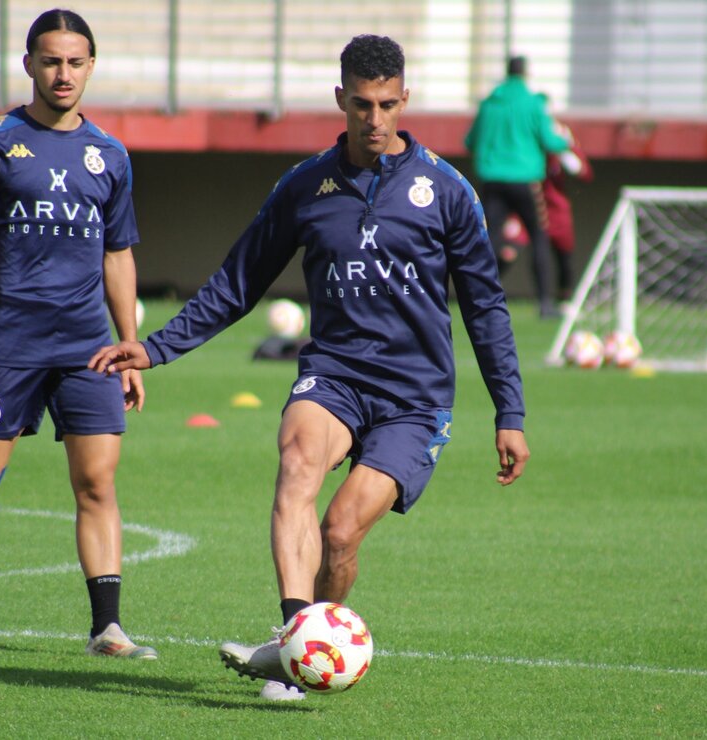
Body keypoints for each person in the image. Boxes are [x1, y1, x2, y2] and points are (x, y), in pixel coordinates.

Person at [90, 34, 529, 700]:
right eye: (361, 104)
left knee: (341, 531)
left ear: (404, 99)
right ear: (340, 100)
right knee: (297, 466)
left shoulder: (446, 191)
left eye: (386, 104)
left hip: (415, 399)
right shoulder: (305, 186)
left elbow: (487, 308)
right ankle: (298, 649)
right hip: (335, 376)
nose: (374, 118)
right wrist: (156, 347)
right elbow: (238, 282)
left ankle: (299, 648)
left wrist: (510, 413)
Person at [0, 8, 155, 661]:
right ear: (29, 65)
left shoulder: (110, 154)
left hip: (89, 347)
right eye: (51, 61)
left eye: (76, 62)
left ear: (91, 67)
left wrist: (131, 344)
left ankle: (106, 626)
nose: (63, 73)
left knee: (98, 484)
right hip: (8, 342)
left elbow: (119, 254)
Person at [464, 55, 569, 318]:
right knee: (538, 237)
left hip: (492, 180)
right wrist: (565, 141)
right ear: (525, 74)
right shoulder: (534, 103)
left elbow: (470, 141)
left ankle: (480, 300)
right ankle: (545, 303)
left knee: (490, 240)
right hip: (525, 180)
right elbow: (550, 141)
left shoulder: (489, 104)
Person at [497, 120, 593, 303]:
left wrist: (563, 151)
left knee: (563, 254)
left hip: (556, 210)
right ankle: (485, 290)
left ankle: (564, 297)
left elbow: (584, 173)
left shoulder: (563, 152)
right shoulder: (529, 151)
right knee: (508, 248)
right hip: (529, 205)